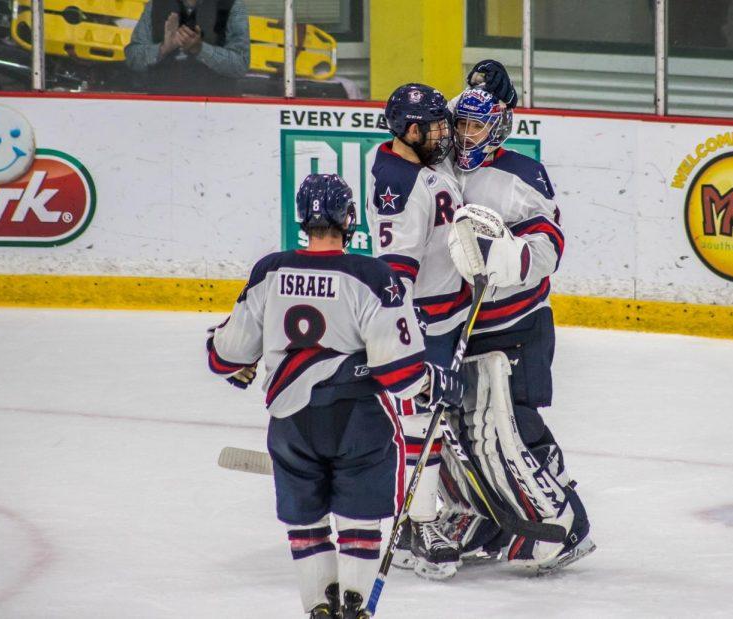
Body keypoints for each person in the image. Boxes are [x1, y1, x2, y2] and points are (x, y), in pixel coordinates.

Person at [206, 173, 463, 618]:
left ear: (302, 218)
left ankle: (318, 609)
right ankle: (356, 608)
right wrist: (438, 383)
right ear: (350, 218)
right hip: (358, 420)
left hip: (290, 423)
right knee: (359, 524)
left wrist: (236, 361)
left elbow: (226, 355)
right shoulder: (372, 275)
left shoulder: (270, 270)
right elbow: (400, 374)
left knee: (306, 524)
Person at [434, 62, 596, 574]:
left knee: (514, 423)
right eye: (461, 124)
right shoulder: (443, 168)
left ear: (499, 125)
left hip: (518, 324)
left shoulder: (522, 173)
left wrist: (513, 258)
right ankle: (484, 515)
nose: (464, 135)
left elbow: (550, 242)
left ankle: (557, 512)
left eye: (476, 127)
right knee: (464, 428)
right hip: (466, 324)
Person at [365, 83, 469, 579]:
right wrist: (413, 346)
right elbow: (395, 279)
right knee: (420, 424)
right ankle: (419, 526)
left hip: (447, 316)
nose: (444, 134)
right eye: (433, 127)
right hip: (423, 322)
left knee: (435, 424)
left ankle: (418, 514)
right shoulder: (398, 186)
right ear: (408, 131)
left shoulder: (420, 160)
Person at [124, 0, 249, 96]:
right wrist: (163, 48)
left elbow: (241, 64)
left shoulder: (233, 6)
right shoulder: (155, 5)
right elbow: (132, 58)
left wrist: (200, 49)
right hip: (162, 108)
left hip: (216, 110)